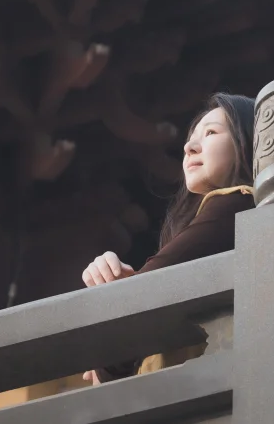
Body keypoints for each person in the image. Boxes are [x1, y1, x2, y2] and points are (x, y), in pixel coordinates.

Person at [80, 92, 256, 384]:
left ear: (248, 143)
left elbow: (148, 291)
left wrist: (105, 363)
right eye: (191, 138)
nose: (189, 147)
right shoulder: (228, 214)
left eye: (211, 133)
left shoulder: (237, 202)